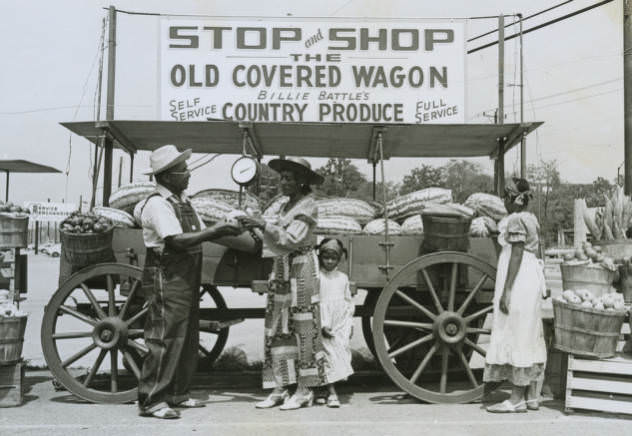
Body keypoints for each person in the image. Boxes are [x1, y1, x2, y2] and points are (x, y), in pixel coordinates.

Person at [137, 145, 243, 419]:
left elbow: (199, 231)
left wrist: (227, 226)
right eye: (183, 170)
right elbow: (176, 240)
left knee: (186, 335)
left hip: (187, 274)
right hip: (167, 273)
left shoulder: (184, 201)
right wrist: (216, 230)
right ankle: (152, 400)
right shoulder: (158, 205)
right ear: (168, 176)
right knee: (165, 336)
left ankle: (177, 394)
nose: (188, 174)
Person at [238, 156, 326, 410]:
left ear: (302, 182)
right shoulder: (286, 205)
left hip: (300, 267)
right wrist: (255, 219)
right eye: (282, 177)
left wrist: (262, 223)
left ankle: (305, 389)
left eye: (288, 178)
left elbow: (290, 239)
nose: (282, 182)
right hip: (281, 269)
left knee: (303, 326)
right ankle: (280, 386)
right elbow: (272, 229)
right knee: (278, 327)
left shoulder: (308, 205)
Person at [484, 177, 547, 413]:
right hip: (531, 274)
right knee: (528, 331)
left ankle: (516, 399)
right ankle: (532, 396)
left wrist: (507, 290)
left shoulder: (516, 220)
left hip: (519, 278)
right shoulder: (530, 219)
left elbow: (516, 255)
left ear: (514, 199)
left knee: (517, 330)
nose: (503, 201)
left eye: (506, 197)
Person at [316, 238, 354, 408]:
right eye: (326, 258)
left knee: (339, 353)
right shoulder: (317, 277)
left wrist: (350, 323)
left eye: (333, 258)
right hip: (325, 321)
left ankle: (323, 389)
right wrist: (323, 324)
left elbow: (348, 302)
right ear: (320, 257)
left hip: (341, 323)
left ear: (339, 259)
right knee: (327, 353)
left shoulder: (343, 278)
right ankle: (332, 393)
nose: (329, 261)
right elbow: (316, 302)